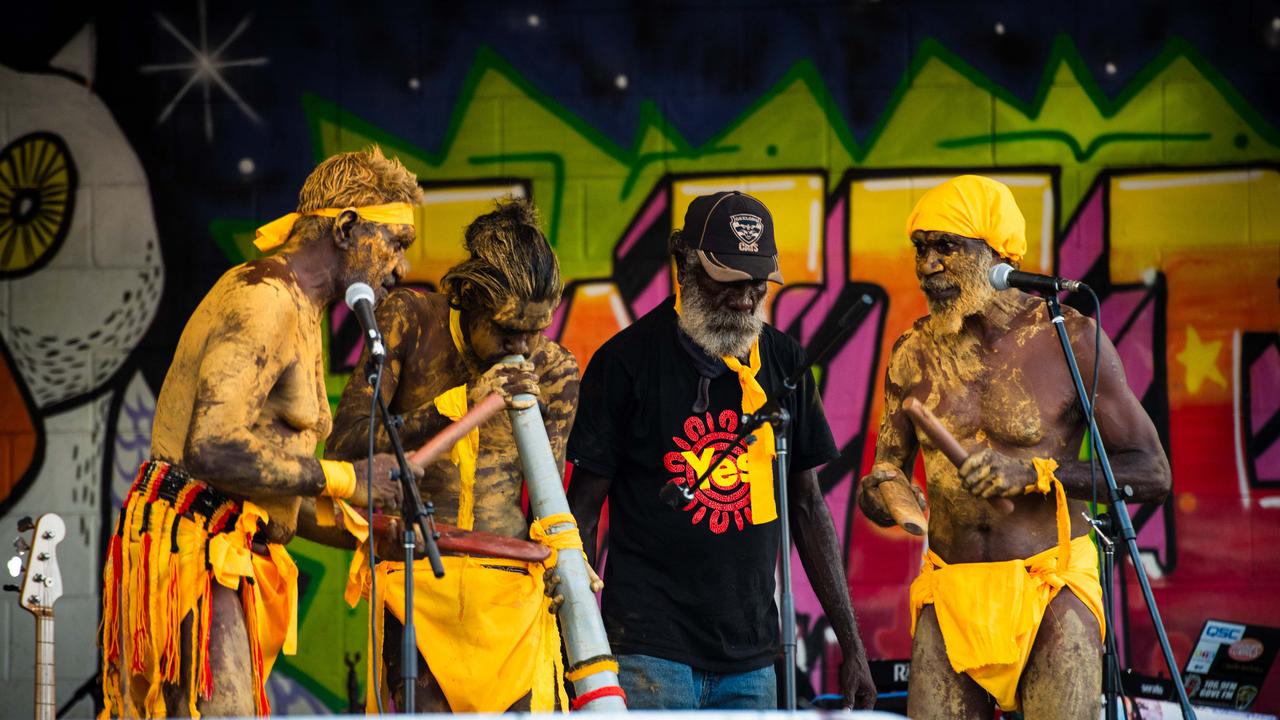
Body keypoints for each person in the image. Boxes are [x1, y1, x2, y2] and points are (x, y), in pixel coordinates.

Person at [98, 147, 420, 717]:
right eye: (396, 242)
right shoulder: (265, 298)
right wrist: (347, 478)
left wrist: (368, 533)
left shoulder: (300, 306)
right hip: (194, 549)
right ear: (346, 228)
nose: (399, 267)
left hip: (218, 543)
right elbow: (212, 447)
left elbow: (269, 491)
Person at [856, 175, 1172, 719]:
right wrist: (886, 492)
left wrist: (1033, 473)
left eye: (947, 247)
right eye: (920, 248)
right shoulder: (912, 353)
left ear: (998, 252)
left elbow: (1152, 473)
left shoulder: (1069, 338)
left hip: (1050, 589)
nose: (927, 264)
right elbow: (884, 473)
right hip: (949, 590)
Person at [566, 191, 877, 710]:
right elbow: (583, 510)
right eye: (725, 281)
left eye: (756, 284)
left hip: (753, 660)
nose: (743, 299)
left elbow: (807, 505)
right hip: (647, 650)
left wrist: (853, 645)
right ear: (683, 265)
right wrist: (577, 641)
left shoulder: (784, 362)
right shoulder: (624, 363)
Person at [325, 197, 580, 713]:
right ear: (467, 297)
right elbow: (346, 445)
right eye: (509, 332)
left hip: (509, 596)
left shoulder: (555, 371)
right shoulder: (410, 320)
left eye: (538, 329)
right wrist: (459, 406)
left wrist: (569, 564)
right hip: (416, 581)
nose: (526, 347)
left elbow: (546, 505)